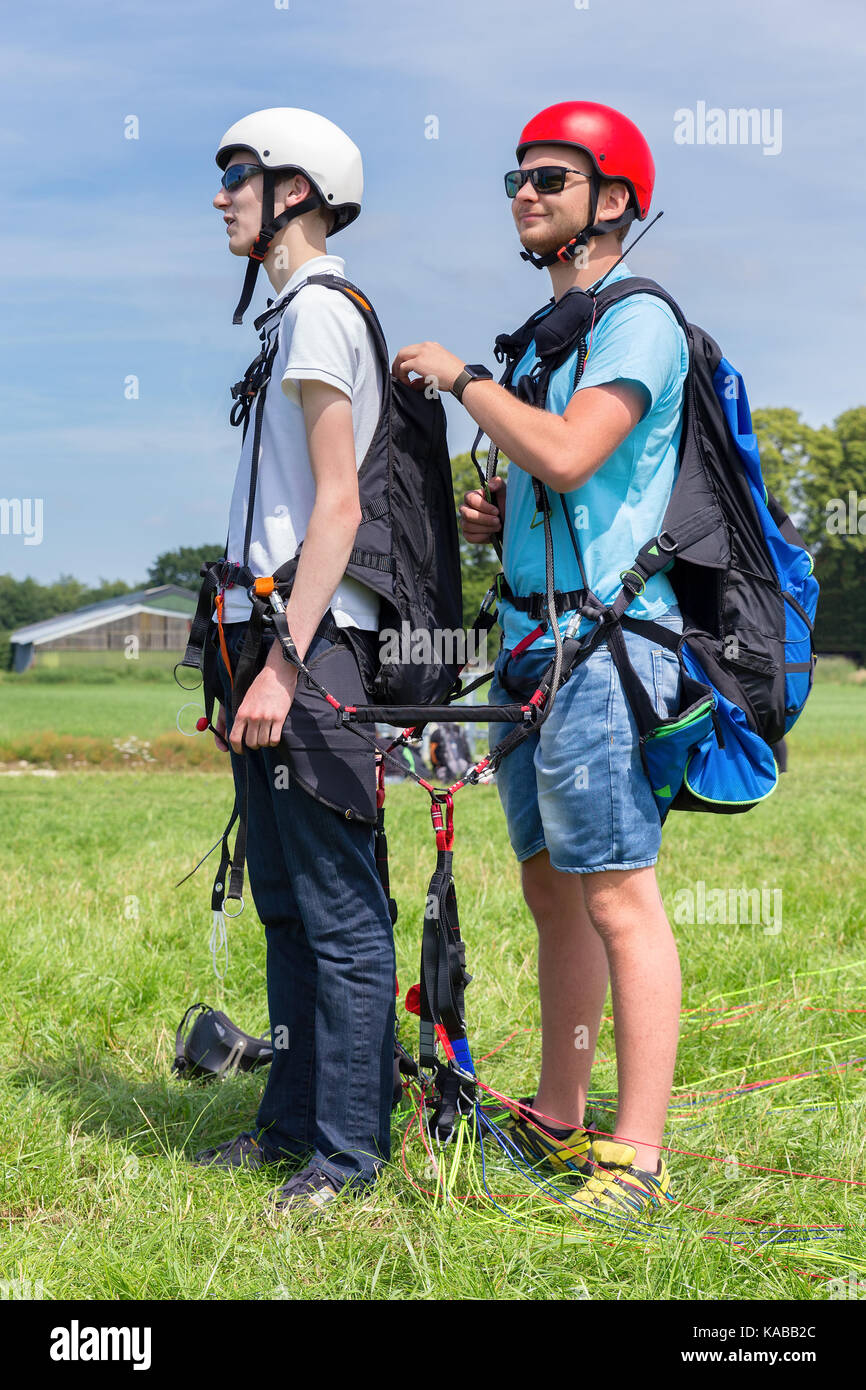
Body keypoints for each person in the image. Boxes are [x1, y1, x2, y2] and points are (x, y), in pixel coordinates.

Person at [392, 101, 688, 1218]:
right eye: (515, 177)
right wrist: (494, 513)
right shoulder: (544, 335)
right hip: (529, 642)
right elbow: (547, 479)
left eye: (550, 177)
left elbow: (571, 453)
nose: (523, 192)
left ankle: (637, 1159)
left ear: (611, 200)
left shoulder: (637, 322)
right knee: (548, 892)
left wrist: (464, 379)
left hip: (601, 647)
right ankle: (558, 1123)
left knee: (616, 897)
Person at [193, 108, 396, 1217]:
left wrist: (281, 664)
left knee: (338, 911)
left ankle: (348, 1160)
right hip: (267, 649)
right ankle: (288, 1131)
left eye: (237, 174)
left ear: (296, 192)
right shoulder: (281, 322)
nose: (220, 194)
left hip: (309, 656)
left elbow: (337, 504)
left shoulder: (318, 314)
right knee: (282, 902)